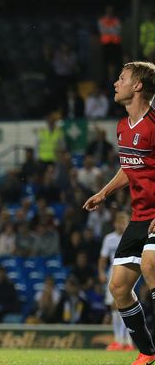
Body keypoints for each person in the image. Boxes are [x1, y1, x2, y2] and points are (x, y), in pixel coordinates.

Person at [84, 61, 155, 365]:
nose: (115, 83)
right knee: (119, 287)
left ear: (138, 86)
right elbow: (129, 168)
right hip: (140, 216)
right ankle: (148, 352)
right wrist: (103, 192)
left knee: (152, 265)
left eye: (122, 79)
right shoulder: (123, 126)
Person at [99, 212, 134, 351]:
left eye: (124, 222)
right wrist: (101, 272)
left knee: (124, 305)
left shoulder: (132, 237)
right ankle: (121, 340)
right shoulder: (109, 239)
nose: (121, 225)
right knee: (115, 306)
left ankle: (125, 340)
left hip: (128, 271)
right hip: (112, 272)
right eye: (119, 222)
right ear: (115, 224)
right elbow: (102, 258)